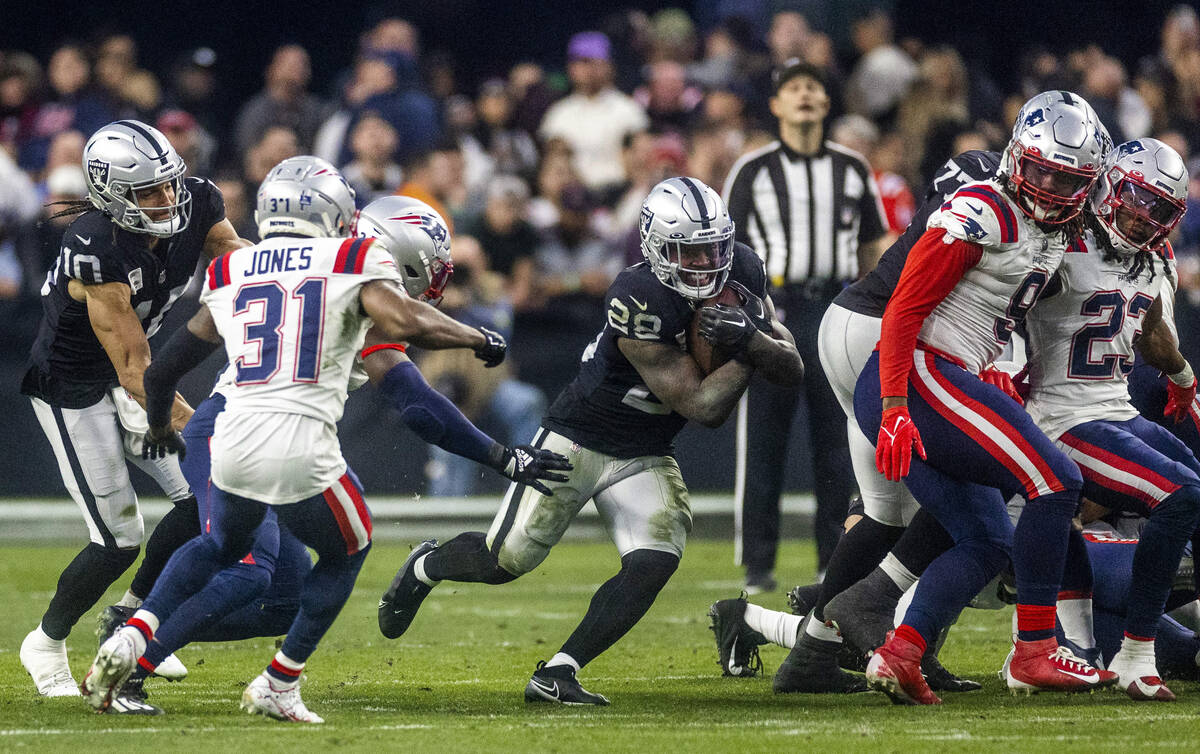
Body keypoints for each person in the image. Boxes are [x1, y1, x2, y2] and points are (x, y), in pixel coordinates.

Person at [93, 183, 569, 715]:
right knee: (262, 563)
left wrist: (160, 422)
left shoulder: (287, 266)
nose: (434, 280)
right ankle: (140, 660)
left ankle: (135, 632)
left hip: (232, 430)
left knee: (284, 596)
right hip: (250, 428)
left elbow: (170, 363)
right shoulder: (354, 278)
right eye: (430, 266)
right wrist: (501, 453)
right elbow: (417, 404)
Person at [376, 177, 804, 705]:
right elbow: (702, 406)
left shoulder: (743, 270)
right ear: (656, 247)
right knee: (505, 560)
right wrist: (750, 346)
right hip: (580, 435)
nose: (704, 264)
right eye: (688, 252)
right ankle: (426, 565)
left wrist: (755, 338)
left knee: (655, 559)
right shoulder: (637, 295)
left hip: (646, 447)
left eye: (712, 249)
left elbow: (792, 366)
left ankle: (559, 670)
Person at [856, 91, 1112, 704]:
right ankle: (1035, 650)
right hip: (919, 374)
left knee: (987, 538)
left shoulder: (1054, 227)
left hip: (943, 376)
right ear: (1017, 157)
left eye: (1065, 179)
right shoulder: (983, 210)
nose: (1049, 188)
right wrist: (894, 408)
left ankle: (902, 652)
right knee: (1057, 480)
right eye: (1041, 171)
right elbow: (903, 311)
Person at [18, 120, 245, 698]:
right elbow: (135, 369)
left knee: (201, 498)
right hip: (76, 387)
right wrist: (206, 429)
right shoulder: (95, 246)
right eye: (148, 192)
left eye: (170, 183)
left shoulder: (197, 200)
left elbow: (243, 264)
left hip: (135, 375)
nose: (168, 199)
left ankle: (128, 621)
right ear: (112, 195)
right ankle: (45, 641)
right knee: (119, 537)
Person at [1019, 138, 1198, 701]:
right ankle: (1136, 655)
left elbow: (1151, 331)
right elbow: (1003, 308)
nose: (1145, 216)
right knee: (1180, 494)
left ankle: (1127, 644)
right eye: (1138, 198)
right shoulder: (1062, 239)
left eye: (1160, 208)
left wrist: (1181, 376)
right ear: (1110, 186)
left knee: (1195, 491)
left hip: (1113, 409)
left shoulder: (1154, 260)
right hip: (1059, 418)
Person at [722, 59, 891, 590]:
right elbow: (727, 247)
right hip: (772, 308)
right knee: (763, 440)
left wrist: (874, 306)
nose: (804, 95)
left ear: (827, 101)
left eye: (813, 87)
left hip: (835, 307)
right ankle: (758, 565)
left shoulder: (852, 167)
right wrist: (745, 312)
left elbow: (874, 244)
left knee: (839, 441)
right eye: (793, 88)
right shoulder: (751, 169)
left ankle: (833, 557)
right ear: (775, 104)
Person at [538, 31, 649, 194]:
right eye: (581, 62)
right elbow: (554, 163)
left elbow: (641, 159)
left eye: (594, 62)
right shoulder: (559, 113)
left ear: (609, 65)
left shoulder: (628, 109)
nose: (588, 69)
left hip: (621, 192)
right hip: (574, 195)